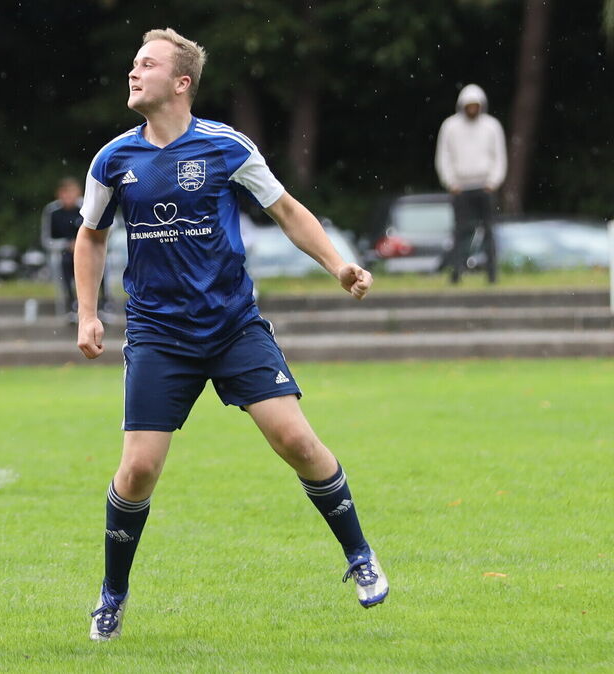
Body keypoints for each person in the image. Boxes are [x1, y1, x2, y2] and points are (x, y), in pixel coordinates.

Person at [74, 28, 388, 642]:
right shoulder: (113, 159)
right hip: (160, 335)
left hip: (233, 326)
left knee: (296, 439)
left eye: (147, 65)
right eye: (133, 64)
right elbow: (90, 234)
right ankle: (113, 594)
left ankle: (360, 556)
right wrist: (90, 312)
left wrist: (339, 264)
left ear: (181, 82)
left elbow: (288, 209)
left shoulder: (224, 146)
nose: (133, 74)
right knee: (137, 471)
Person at [435, 83, 506, 284]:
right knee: (460, 232)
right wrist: (450, 182)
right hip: (460, 187)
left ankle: (492, 274)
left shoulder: (491, 126)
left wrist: (493, 181)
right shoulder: (451, 126)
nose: (473, 109)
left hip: (485, 186)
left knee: (489, 231)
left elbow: (499, 156)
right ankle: (456, 272)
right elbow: (444, 156)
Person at [41, 177, 108, 321]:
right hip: (65, 253)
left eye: (71, 192)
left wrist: (82, 244)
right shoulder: (53, 212)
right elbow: (47, 240)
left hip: (88, 250)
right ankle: (71, 302)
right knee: (65, 262)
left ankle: (102, 302)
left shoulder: (87, 208)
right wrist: (66, 244)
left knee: (98, 262)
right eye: (65, 193)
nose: (68, 197)